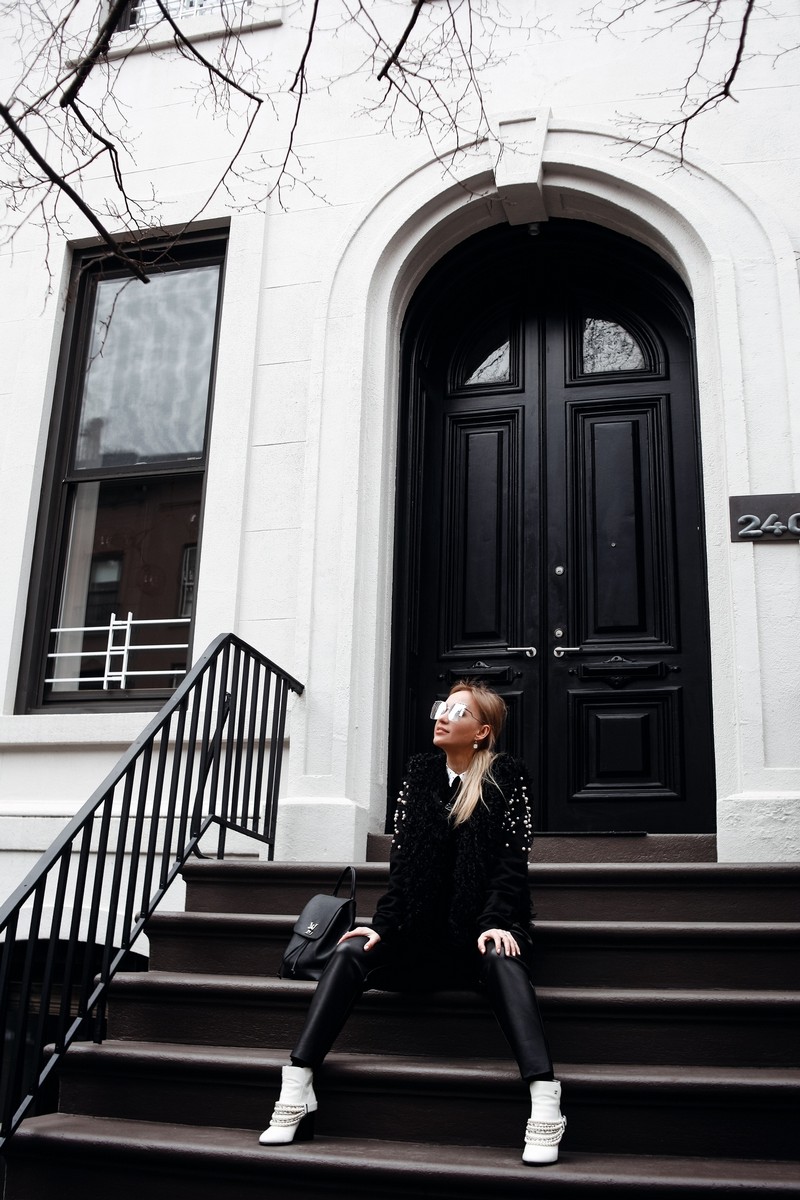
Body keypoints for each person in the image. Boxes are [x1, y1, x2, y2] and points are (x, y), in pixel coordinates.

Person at [260, 680, 566, 1165]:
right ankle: (297, 1083)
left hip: (477, 929)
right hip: (419, 937)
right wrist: (381, 926)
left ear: (482, 732)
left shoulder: (506, 780)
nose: (442, 716)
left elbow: (511, 868)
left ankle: (545, 1096)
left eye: (457, 712)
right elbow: (403, 870)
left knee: (501, 953)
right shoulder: (420, 778)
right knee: (350, 949)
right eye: (441, 707)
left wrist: (496, 922)